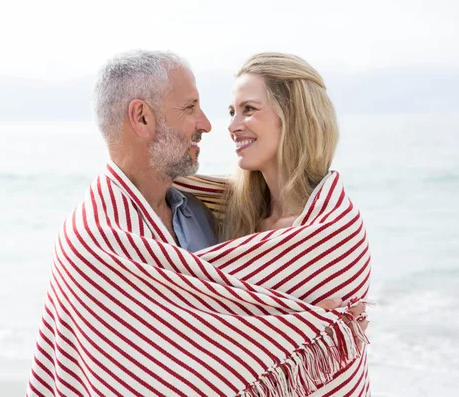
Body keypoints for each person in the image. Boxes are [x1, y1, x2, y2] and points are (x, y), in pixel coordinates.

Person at [26, 50, 367, 397]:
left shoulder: (218, 216)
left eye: (248, 110)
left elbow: (225, 320)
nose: (211, 124)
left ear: (293, 117)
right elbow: (174, 359)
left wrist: (313, 329)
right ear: (142, 118)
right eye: (191, 108)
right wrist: (303, 329)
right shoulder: (92, 247)